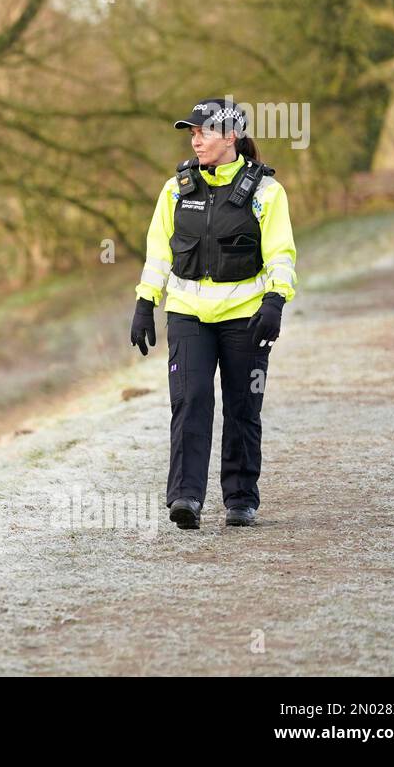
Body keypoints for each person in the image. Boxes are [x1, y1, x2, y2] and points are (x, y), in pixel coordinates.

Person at [129, 98, 297, 529]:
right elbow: (158, 251)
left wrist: (276, 300)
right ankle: (185, 498)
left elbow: (280, 253)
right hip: (187, 315)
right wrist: (146, 302)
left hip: (246, 317)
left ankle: (241, 498)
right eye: (192, 133)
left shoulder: (265, 192)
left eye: (203, 131)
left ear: (231, 136)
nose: (196, 139)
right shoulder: (175, 189)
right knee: (191, 399)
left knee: (243, 406)